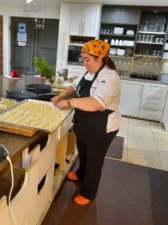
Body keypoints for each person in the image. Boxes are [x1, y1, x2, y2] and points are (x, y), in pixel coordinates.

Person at [51, 39, 121, 205]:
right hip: (84, 123)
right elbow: (74, 87)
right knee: (83, 152)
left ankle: (89, 193)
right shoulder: (88, 72)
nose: (84, 63)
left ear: (100, 58)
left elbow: (96, 104)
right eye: (83, 59)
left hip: (102, 127)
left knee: (94, 160)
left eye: (87, 59)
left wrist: (68, 102)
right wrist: (62, 95)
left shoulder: (110, 77)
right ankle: (81, 173)